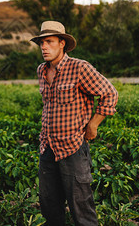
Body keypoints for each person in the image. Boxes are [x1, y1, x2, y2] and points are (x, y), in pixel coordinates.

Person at [30, 21, 118, 225]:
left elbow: (110, 93)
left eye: (49, 42)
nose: (44, 47)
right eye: (41, 43)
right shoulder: (41, 70)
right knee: (49, 204)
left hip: (73, 147)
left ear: (62, 43)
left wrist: (93, 124)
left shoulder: (79, 68)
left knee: (81, 208)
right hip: (48, 147)